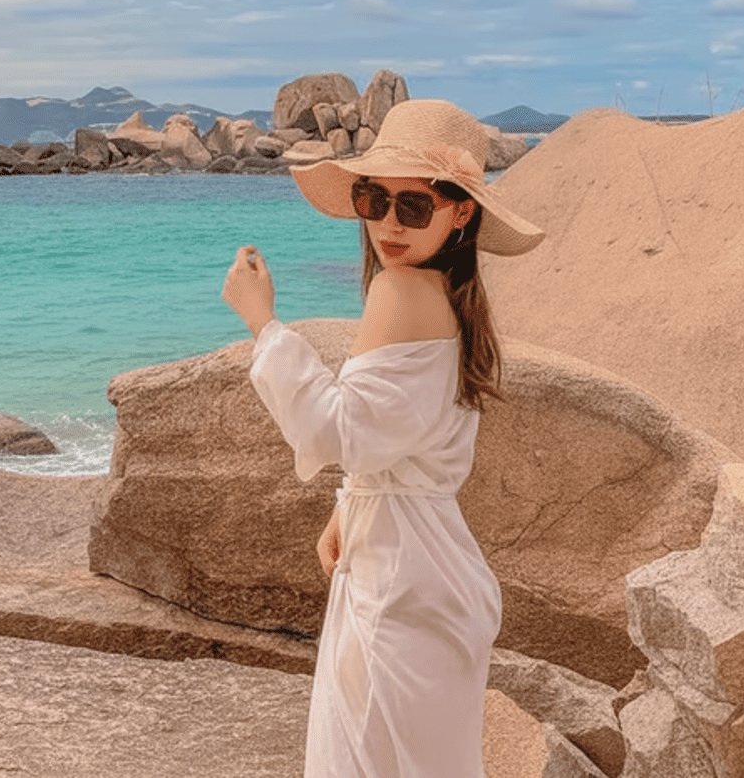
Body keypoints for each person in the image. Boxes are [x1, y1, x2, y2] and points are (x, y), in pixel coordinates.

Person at [222, 98, 545, 778]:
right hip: (422, 562)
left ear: (461, 212)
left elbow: (339, 431)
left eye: (414, 206)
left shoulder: (400, 292)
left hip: (401, 579)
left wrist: (264, 326)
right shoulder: (449, 296)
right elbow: (405, 433)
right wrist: (352, 501)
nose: (389, 224)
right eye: (373, 199)